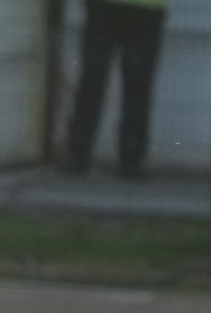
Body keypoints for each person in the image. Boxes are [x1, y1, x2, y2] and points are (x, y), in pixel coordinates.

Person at [63, 0, 167, 180]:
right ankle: (131, 162)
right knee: (137, 86)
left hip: (108, 7)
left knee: (93, 80)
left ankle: (77, 156)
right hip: (145, 10)